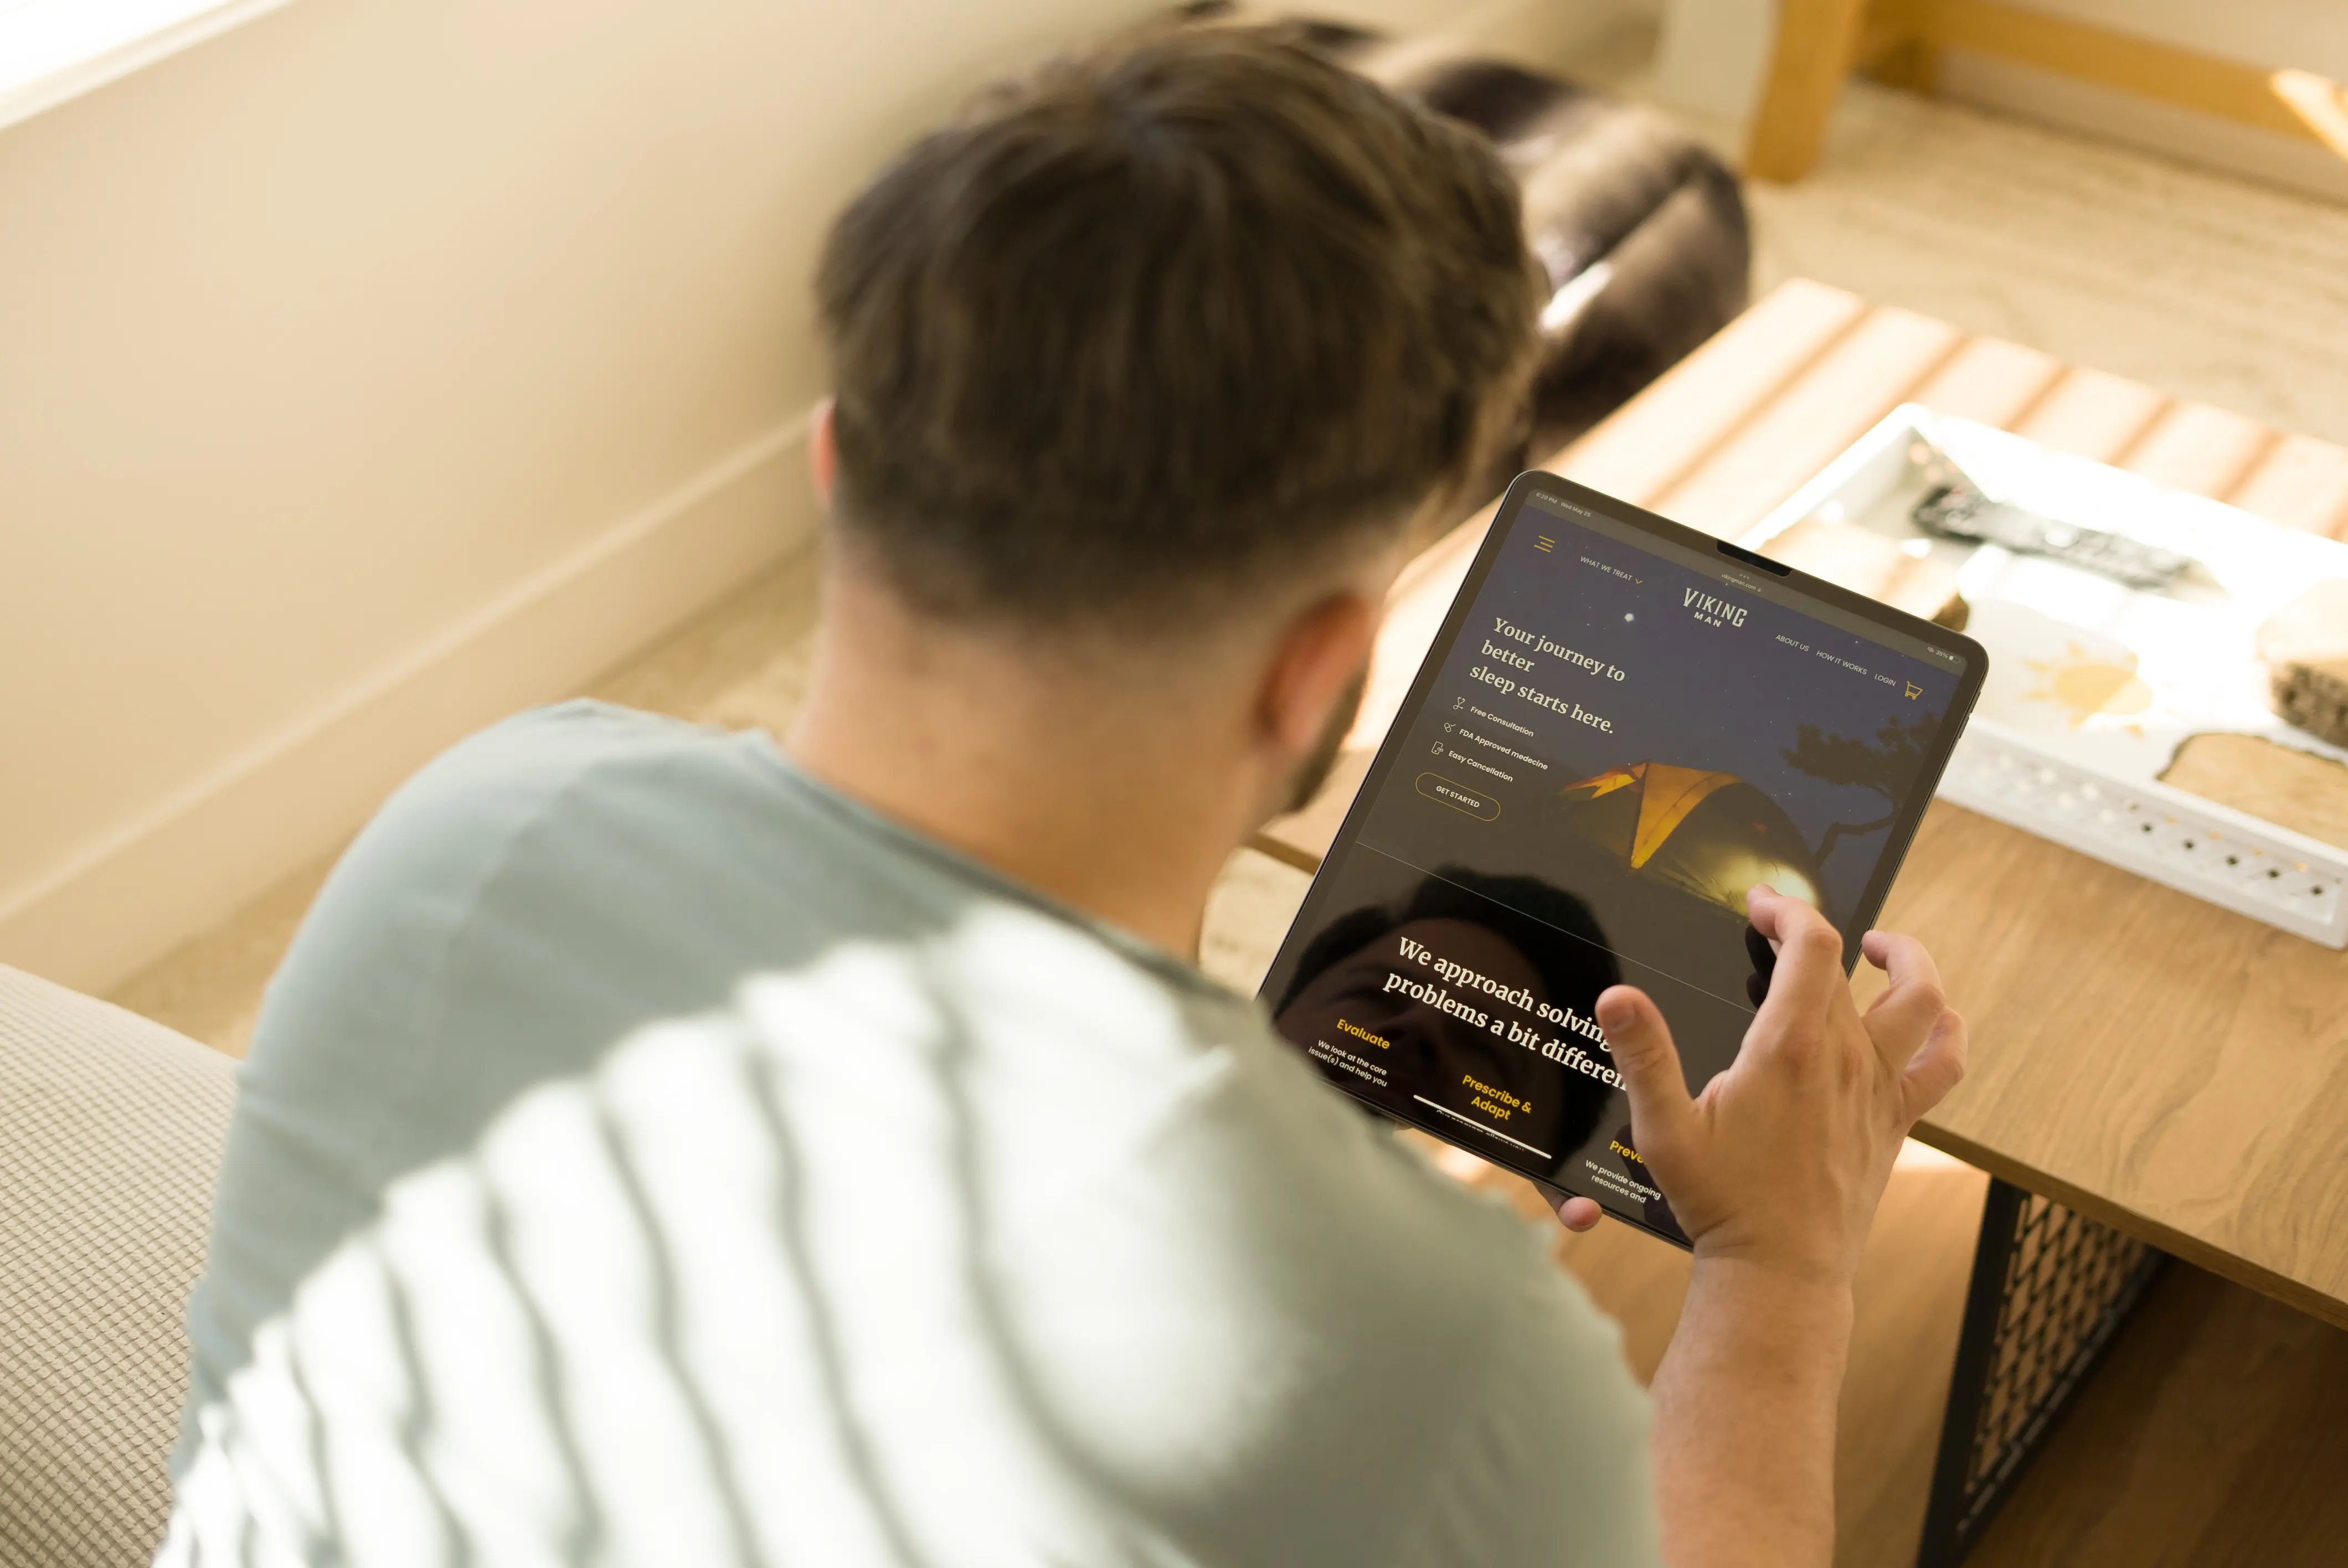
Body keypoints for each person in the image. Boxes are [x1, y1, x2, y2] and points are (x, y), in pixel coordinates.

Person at [163, 27, 1966, 1567]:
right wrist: (1781, 1267)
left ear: (834, 464)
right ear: (1324, 668)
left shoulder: (474, 827)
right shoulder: (1429, 1349)